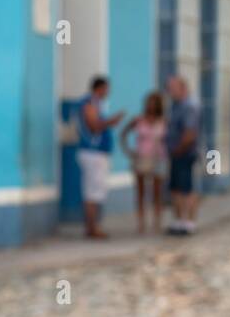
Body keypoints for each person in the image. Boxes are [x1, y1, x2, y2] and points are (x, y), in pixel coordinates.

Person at [75, 76, 124, 239]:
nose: (108, 92)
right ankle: (92, 227)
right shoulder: (89, 103)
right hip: (93, 153)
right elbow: (94, 125)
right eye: (106, 89)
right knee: (92, 192)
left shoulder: (96, 103)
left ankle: (93, 226)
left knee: (96, 191)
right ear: (100, 88)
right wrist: (111, 121)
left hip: (97, 154)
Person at [121, 91, 166, 234]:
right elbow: (124, 133)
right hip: (141, 157)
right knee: (140, 192)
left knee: (157, 192)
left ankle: (157, 221)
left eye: (154, 103)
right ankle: (141, 222)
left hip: (159, 157)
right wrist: (129, 151)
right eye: (149, 102)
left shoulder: (163, 121)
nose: (151, 106)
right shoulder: (138, 120)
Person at [165, 75, 201, 236]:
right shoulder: (175, 106)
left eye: (173, 88)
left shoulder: (189, 106)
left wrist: (178, 149)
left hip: (186, 153)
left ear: (183, 88)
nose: (169, 91)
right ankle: (179, 220)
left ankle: (188, 222)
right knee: (176, 188)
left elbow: (190, 133)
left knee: (187, 188)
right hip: (176, 152)